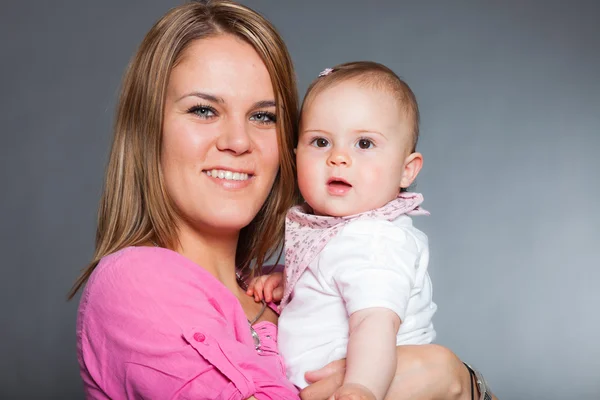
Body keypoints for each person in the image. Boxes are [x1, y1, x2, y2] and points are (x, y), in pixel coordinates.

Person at [68, 1, 495, 399]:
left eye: (262, 116)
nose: (238, 141)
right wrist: (440, 376)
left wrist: (463, 383)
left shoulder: (291, 281)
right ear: (148, 129)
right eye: (203, 110)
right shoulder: (136, 283)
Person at [249, 61, 436, 400]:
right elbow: (336, 281)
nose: (338, 157)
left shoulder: (374, 240)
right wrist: (292, 280)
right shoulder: (344, 233)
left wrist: (361, 388)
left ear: (406, 171)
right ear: (295, 157)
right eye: (320, 142)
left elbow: (375, 323)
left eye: (364, 144)